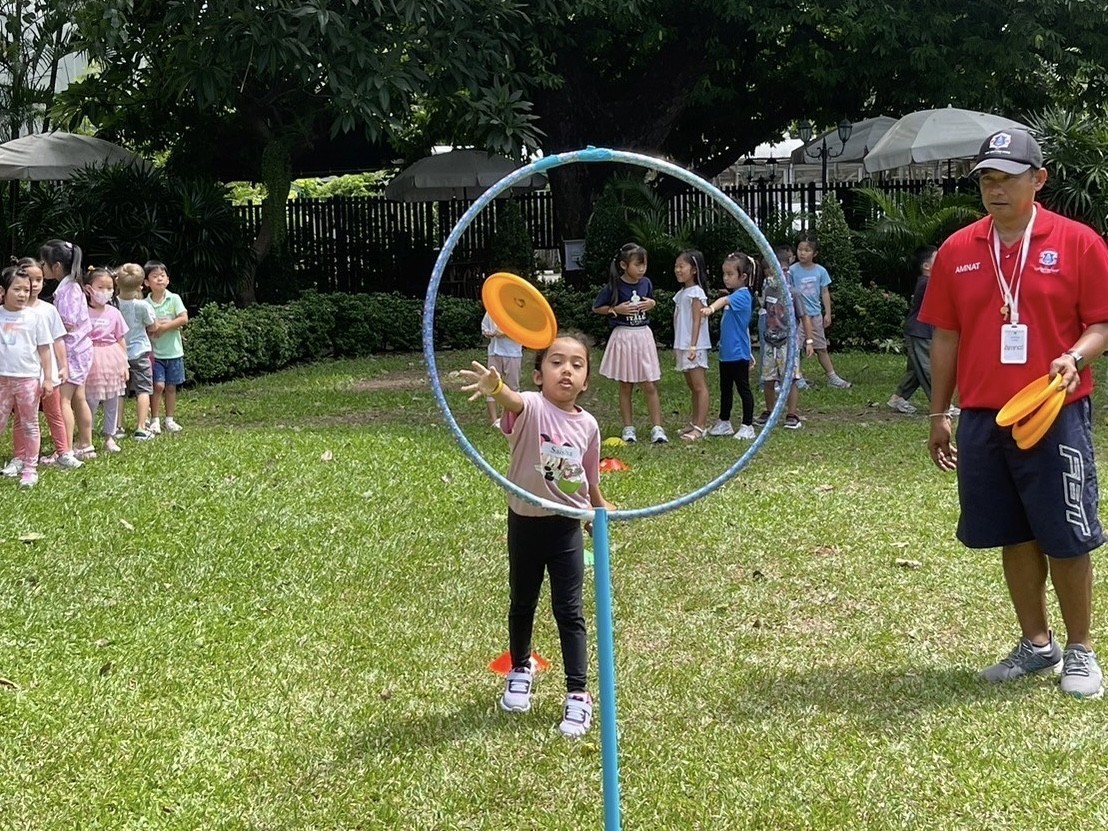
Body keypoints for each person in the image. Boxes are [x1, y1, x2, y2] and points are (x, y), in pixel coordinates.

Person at [920, 128, 1108, 699]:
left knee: (1066, 535)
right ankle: (1036, 643)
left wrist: (1075, 357)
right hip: (984, 417)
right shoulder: (958, 250)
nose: (994, 189)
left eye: (1007, 178)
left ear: (1038, 179)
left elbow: (1100, 324)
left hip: (1054, 411)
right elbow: (945, 336)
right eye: (986, 179)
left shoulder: (1078, 243)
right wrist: (939, 413)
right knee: (1013, 531)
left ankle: (1081, 649)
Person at [457, 332, 615, 737]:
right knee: (522, 600)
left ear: (586, 381)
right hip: (524, 522)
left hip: (565, 527)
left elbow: (589, 475)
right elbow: (512, 399)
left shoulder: (589, 425)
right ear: (539, 374)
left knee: (569, 610)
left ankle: (578, 693)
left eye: (577, 365)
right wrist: (496, 388)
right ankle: (520, 669)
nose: (567, 370)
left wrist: (597, 508)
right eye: (556, 362)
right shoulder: (530, 407)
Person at [3, 258, 73, 477]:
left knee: (41, 418)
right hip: (7, 378)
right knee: (15, 419)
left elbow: (51, 344)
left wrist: (56, 372)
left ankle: (50, 458)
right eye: (19, 288)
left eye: (36, 281)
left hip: (35, 377)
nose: (27, 290)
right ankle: (19, 457)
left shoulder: (42, 313)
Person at [591, 243, 667, 444]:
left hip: (643, 336)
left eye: (644, 265)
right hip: (624, 336)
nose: (642, 269)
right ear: (624, 265)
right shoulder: (614, 286)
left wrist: (652, 303)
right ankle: (628, 427)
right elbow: (597, 307)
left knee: (649, 382)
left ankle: (657, 428)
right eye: (637, 265)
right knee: (626, 384)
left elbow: (650, 300)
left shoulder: (646, 283)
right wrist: (615, 310)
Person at [41, 239, 96, 460]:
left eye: (43, 264)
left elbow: (68, 322)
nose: (42, 268)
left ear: (55, 266)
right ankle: (86, 444)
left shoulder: (69, 289)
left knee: (63, 401)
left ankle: (66, 450)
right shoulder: (71, 286)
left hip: (73, 352)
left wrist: (45, 326)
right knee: (78, 398)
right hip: (80, 350)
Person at [0, 265, 54, 488]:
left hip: (28, 379)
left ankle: (30, 468)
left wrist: (48, 378)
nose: (22, 294)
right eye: (17, 289)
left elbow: (45, 349)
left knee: (29, 423)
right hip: (2, 379)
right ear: (3, 291)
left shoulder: (35, 317)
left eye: (26, 290)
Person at [756, 246, 815, 430]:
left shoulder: (794, 293)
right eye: (768, 273)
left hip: (787, 343)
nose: (771, 276)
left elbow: (804, 317)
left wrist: (809, 341)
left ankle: (792, 414)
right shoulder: (768, 291)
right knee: (768, 378)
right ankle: (770, 411)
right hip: (770, 342)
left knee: (791, 378)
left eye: (773, 272)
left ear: (784, 271)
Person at [702, 251, 756, 439]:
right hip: (727, 353)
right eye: (724, 273)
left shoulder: (743, 295)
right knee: (725, 389)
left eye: (730, 274)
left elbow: (724, 301)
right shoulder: (735, 295)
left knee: (743, 389)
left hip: (738, 353)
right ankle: (724, 422)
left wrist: (711, 308)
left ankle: (748, 425)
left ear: (743, 277)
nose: (725, 278)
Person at [788, 233, 851, 388]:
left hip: (815, 315)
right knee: (795, 349)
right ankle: (797, 377)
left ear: (815, 253)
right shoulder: (792, 270)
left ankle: (832, 377)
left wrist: (827, 313)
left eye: (807, 250)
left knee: (821, 348)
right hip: (798, 316)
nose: (802, 253)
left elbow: (825, 292)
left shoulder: (820, 271)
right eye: (800, 249)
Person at [888, 246, 942, 415]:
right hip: (919, 332)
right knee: (928, 368)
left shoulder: (929, 282)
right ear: (926, 266)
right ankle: (942, 405)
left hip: (922, 331)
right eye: (937, 258)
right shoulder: (927, 283)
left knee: (915, 370)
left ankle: (898, 398)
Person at [83, 267, 129, 453]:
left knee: (112, 399)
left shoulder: (114, 312)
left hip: (112, 358)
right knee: (90, 400)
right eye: (100, 287)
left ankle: (110, 436)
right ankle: (86, 436)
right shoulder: (83, 311)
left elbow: (120, 338)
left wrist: (125, 364)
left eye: (109, 288)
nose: (105, 292)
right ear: (89, 288)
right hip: (90, 357)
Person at [671, 249, 712, 440]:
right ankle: (694, 422)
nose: (678, 270)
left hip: (694, 346)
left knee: (699, 386)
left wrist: (693, 346)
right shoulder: (681, 294)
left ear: (694, 270)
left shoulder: (696, 293)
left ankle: (700, 426)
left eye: (682, 266)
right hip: (683, 344)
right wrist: (677, 346)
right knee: (692, 386)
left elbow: (697, 320)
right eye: (676, 266)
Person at [144, 260, 188, 434]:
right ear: (146, 282)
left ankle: (169, 419)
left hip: (174, 352)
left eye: (162, 276)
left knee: (171, 387)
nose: (159, 279)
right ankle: (154, 419)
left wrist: (162, 327)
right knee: (158, 386)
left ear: (168, 280)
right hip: (155, 353)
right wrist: (155, 328)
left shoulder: (174, 298)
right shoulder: (145, 304)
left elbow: (183, 318)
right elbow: (144, 326)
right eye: (155, 276)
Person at [115, 263, 157, 440]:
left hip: (118, 353)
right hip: (140, 352)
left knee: (119, 391)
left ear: (117, 281)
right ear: (141, 285)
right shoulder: (143, 306)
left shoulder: (113, 304)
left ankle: (118, 427)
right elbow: (152, 326)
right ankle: (141, 427)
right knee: (143, 390)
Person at [480, 310, 523, 428]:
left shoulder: (517, 311)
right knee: (491, 384)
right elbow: (484, 326)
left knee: (513, 386)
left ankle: (512, 419)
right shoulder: (492, 310)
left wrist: (504, 333)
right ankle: (494, 421)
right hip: (494, 352)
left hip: (512, 353)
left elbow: (522, 332)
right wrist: (487, 333)